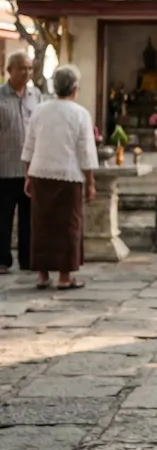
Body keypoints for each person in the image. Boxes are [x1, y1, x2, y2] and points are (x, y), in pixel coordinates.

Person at [22, 65, 97, 290]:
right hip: (68, 175)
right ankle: (65, 276)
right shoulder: (80, 113)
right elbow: (86, 150)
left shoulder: (40, 110)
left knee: (41, 224)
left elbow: (30, 145)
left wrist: (27, 175)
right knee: (68, 225)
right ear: (75, 88)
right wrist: (90, 180)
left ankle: (42, 274)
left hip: (41, 173)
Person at [0, 51, 41, 275]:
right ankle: (2, 260)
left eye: (29, 68)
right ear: (9, 70)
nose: (26, 73)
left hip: (31, 170)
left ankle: (28, 259)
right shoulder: (0, 96)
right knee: (3, 217)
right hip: (5, 168)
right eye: (22, 68)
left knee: (30, 218)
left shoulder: (37, 96)